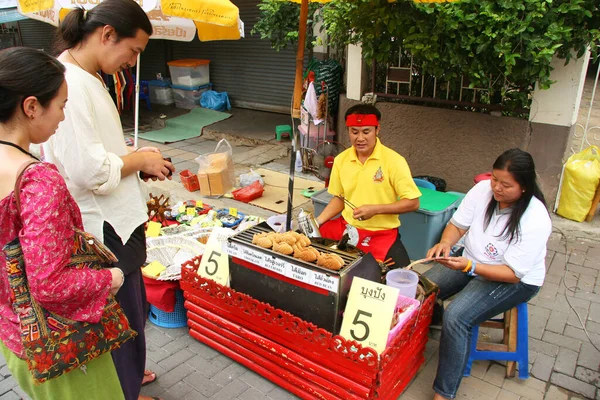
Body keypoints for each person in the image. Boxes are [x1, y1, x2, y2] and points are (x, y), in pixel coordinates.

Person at [42, 2, 174, 399]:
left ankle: (131, 376)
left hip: (119, 219)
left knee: (130, 311)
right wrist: (138, 159)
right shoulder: (71, 83)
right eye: (133, 51)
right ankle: (124, 390)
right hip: (103, 227)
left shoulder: (90, 76)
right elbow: (89, 170)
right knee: (118, 316)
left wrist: (136, 161)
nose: (133, 62)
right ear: (106, 35)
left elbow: (99, 151)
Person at [0, 47, 126, 399]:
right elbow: (51, 285)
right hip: (62, 346)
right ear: (31, 106)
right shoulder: (37, 180)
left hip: (14, 337)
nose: (62, 117)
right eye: (61, 105)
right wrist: (110, 278)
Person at [423, 148, 551, 400]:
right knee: (419, 287)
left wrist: (469, 267)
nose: (497, 188)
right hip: (470, 261)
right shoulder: (482, 191)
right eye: (494, 179)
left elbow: (512, 274)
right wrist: (446, 243)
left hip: (515, 280)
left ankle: (444, 393)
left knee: (457, 316)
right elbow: (457, 225)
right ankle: (413, 345)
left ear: (524, 187)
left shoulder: (535, 217)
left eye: (506, 184)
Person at [315, 104, 421, 268]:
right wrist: (318, 221)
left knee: (401, 272)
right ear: (348, 131)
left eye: (366, 131)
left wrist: (375, 209)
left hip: (381, 233)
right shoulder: (341, 160)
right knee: (309, 247)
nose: (360, 138)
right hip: (347, 227)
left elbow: (413, 202)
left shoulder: (394, 161)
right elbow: (340, 198)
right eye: (354, 132)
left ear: (377, 130)